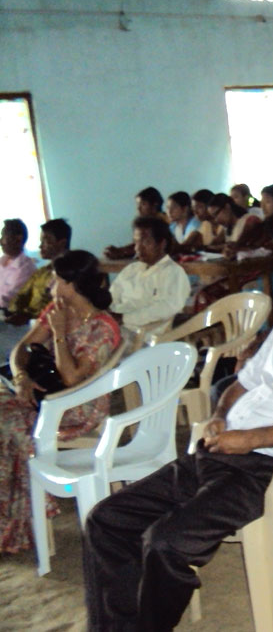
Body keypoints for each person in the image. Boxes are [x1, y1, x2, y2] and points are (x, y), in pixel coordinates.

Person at [82, 234, 273, 631]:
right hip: (220, 452)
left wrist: (249, 439)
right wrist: (219, 415)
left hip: (272, 471)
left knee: (165, 543)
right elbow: (241, 382)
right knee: (106, 520)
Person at [1, 250, 120, 554]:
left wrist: (58, 334)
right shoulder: (58, 308)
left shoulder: (101, 328)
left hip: (77, 407)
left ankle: (25, 521)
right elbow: (21, 349)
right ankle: (11, 517)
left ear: (71, 285)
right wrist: (21, 378)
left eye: (55, 280)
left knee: (10, 425)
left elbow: (71, 378)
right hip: (47, 396)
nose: (49, 286)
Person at [1, 219, 71, 361]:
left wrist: (27, 315)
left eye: (46, 241)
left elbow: (59, 303)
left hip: (55, 327)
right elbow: (21, 296)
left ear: (61, 243)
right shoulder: (42, 272)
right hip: (26, 322)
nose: (40, 246)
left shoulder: (70, 272)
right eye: (41, 241)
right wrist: (18, 312)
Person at [109, 217, 190, 334]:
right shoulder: (131, 269)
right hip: (117, 328)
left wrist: (124, 318)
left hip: (147, 334)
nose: (138, 248)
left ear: (162, 244)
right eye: (136, 242)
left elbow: (167, 308)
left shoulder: (173, 272)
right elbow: (112, 296)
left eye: (145, 242)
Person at [104, 187, 168, 260]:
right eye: (137, 204)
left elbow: (146, 247)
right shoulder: (142, 222)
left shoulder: (162, 222)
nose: (138, 208)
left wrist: (120, 251)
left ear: (154, 206)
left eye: (143, 204)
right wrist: (119, 251)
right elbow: (137, 245)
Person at [0, 219, 36, 311]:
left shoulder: (25, 268)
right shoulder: (2, 261)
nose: (1, 242)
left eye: (4, 237)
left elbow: (7, 300)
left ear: (18, 240)